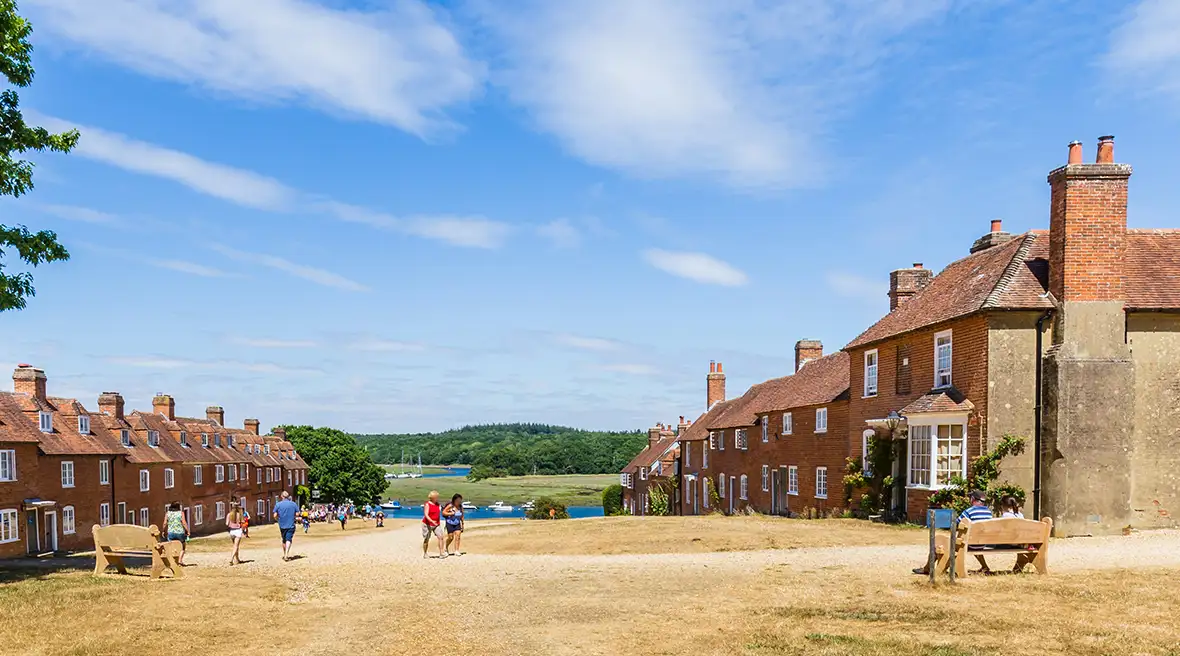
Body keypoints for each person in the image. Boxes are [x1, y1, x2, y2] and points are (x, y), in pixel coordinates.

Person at [913, 490, 995, 575]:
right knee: (974, 541)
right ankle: (984, 567)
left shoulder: (969, 512)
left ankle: (928, 568)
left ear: (973, 499)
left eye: (970, 497)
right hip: (981, 543)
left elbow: (955, 525)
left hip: (969, 544)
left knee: (938, 543)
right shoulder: (989, 513)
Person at [272, 491, 299, 561]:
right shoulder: (293, 504)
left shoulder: (278, 504)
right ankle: (286, 554)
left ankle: (285, 554)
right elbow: (297, 514)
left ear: (282, 496)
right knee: (288, 539)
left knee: (284, 540)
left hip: (282, 525)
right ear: (288, 496)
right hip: (291, 524)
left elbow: (274, 515)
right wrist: (293, 516)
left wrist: (278, 520)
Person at [164, 502, 189, 566]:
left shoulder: (168, 513)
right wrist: (187, 530)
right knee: (182, 547)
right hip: (180, 532)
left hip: (170, 532)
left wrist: (163, 531)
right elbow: (184, 523)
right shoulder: (181, 513)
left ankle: (172, 561)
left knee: (171, 547)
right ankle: (180, 560)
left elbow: (165, 523)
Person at [422, 491, 445, 559]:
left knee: (440, 537)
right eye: (436, 497)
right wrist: (432, 521)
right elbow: (426, 514)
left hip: (436, 524)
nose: (437, 498)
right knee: (426, 539)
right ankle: (425, 553)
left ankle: (441, 553)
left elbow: (442, 510)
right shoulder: (427, 504)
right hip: (427, 524)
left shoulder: (438, 504)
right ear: (432, 498)